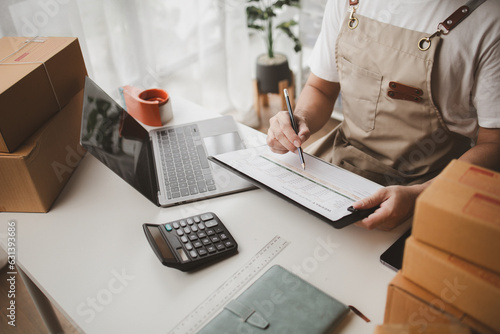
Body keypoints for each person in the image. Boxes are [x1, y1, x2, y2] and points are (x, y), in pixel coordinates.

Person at [267, 0, 500, 231]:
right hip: (340, 163)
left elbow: (493, 143)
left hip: (435, 184)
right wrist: (299, 119)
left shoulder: (490, 20)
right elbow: (321, 89)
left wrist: (420, 195)